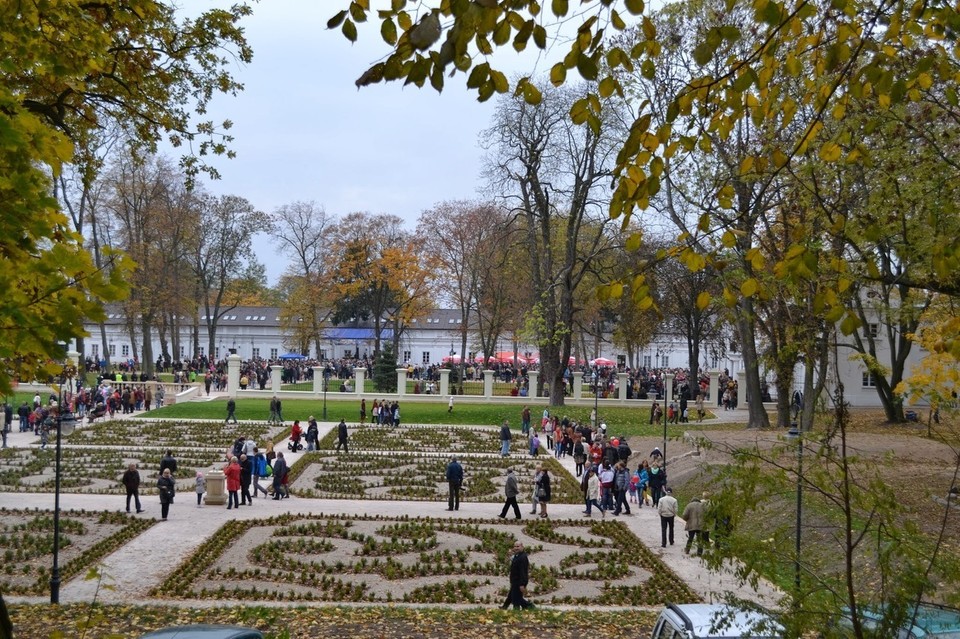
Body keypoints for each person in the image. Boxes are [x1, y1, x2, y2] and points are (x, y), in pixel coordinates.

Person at [500, 541, 534, 609]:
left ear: (522, 547)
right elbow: (508, 562)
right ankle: (505, 606)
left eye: (518, 546)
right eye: (515, 546)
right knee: (511, 596)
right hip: (514, 580)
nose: (516, 548)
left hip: (519, 581)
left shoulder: (523, 557)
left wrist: (522, 584)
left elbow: (523, 572)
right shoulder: (516, 556)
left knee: (516, 598)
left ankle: (528, 606)